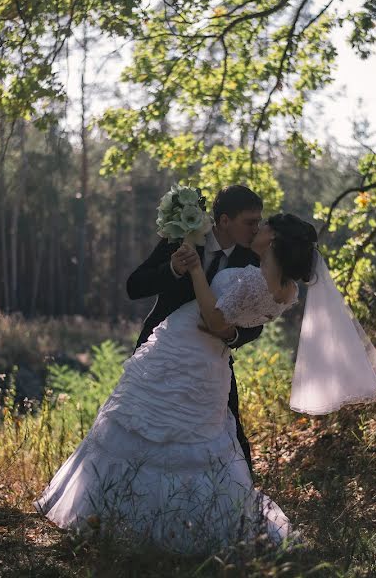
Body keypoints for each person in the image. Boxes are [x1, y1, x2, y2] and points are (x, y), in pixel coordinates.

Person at [34, 213, 320, 552]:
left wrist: (199, 273)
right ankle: (170, 518)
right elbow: (142, 286)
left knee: (146, 428)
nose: (257, 228)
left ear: (273, 240)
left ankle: (127, 517)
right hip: (206, 362)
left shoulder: (249, 276)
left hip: (186, 350)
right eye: (252, 221)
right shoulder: (287, 290)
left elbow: (214, 319)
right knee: (193, 438)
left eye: (264, 225)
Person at [125, 185, 264, 476]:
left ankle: (242, 504)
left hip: (213, 358)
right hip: (162, 350)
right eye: (250, 222)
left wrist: (232, 336)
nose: (257, 228)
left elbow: (256, 320)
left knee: (229, 428)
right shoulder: (180, 238)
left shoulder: (253, 259)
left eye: (259, 221)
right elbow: (134, 286)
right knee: (141, 423)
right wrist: (172, 269)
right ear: (224, 220)